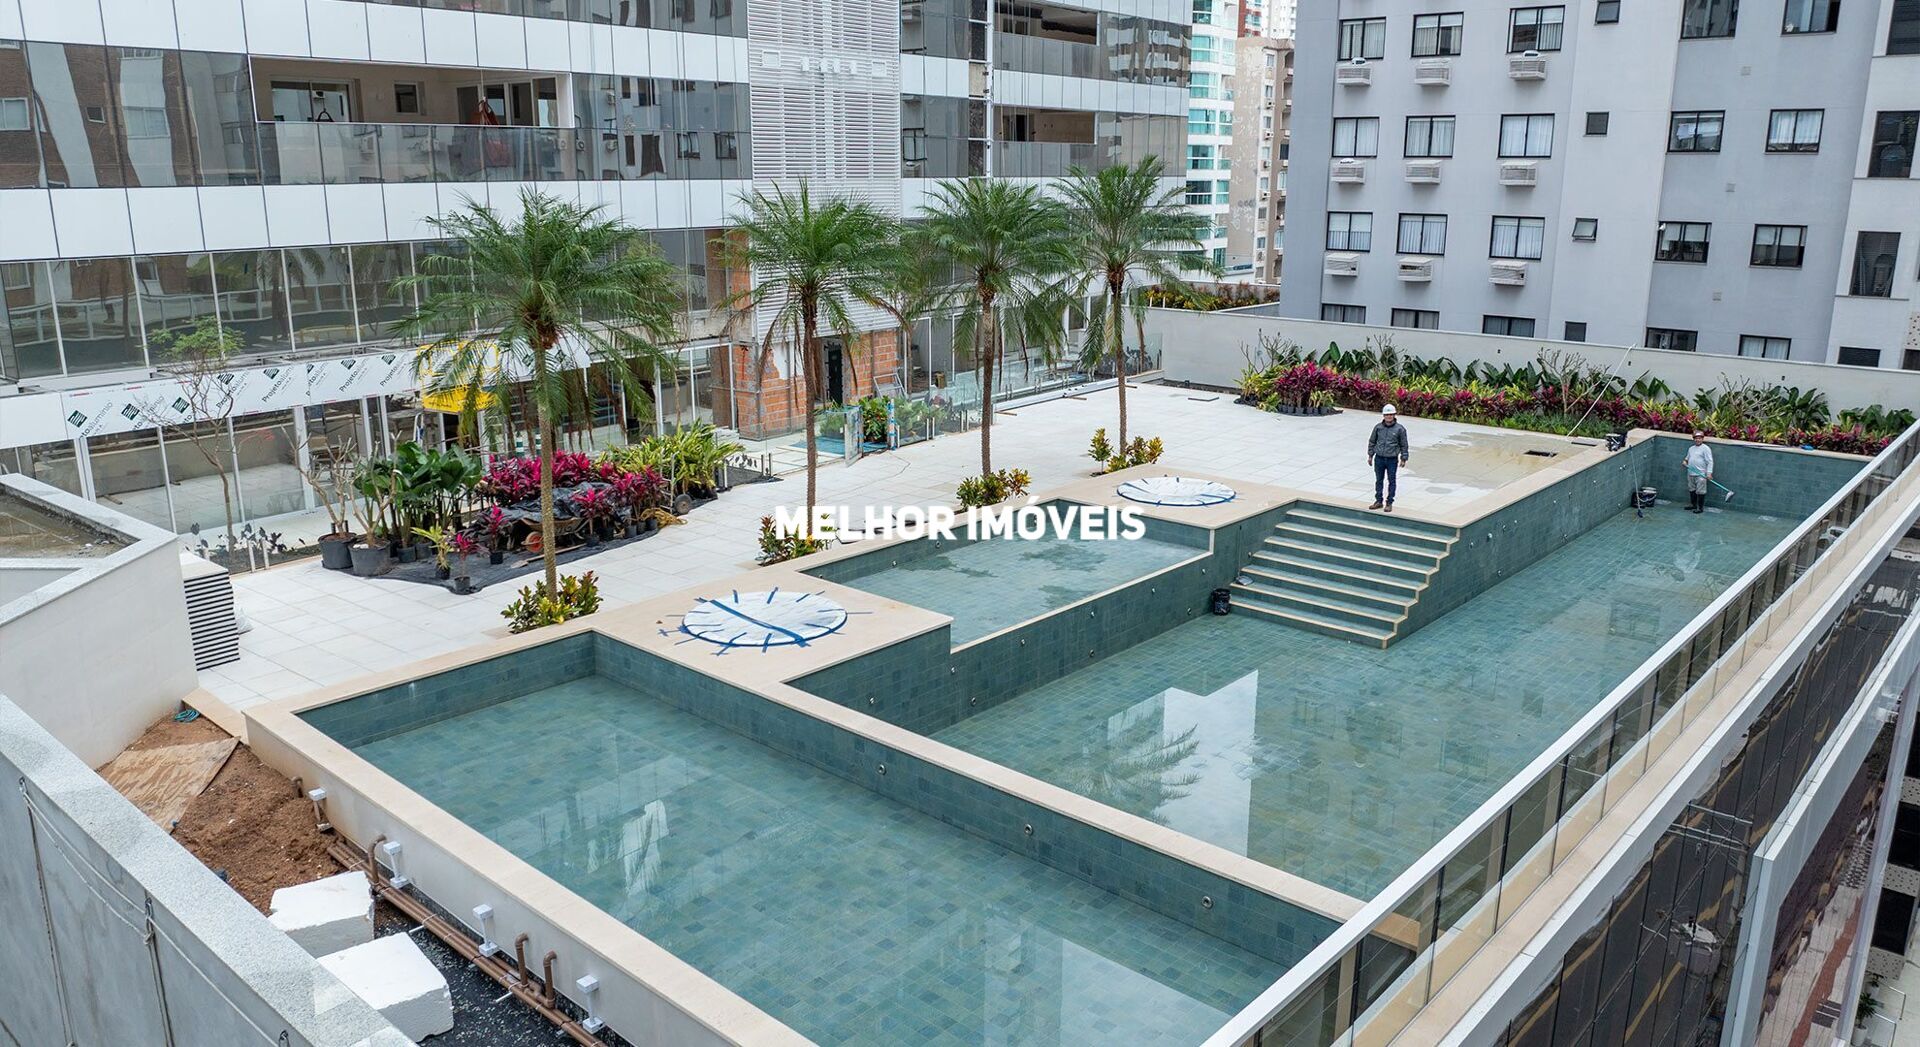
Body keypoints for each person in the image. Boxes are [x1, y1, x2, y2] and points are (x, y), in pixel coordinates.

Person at [1367, 404, 1410, 512]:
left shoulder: (1400, 429)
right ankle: (1378, 501)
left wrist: (1403, 458)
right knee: (1379, 480)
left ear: (1394, 415)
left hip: (1392, 459)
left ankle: (1389, 502)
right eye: (1387, 415)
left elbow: (1404, 445)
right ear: (1383, 416)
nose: (1389, 417)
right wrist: (1370, 455)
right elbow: (1372, 441)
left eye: (1391, 414)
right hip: (1379, 458)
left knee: (1391, 481)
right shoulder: (1378, 428)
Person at [1683, 431, 1715, 514]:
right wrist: (1685, 462)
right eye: (1696, 438)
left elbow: (1710, 461)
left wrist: (1709, 473)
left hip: (1701, 474)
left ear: (1702, 439)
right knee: (1692, 489)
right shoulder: (1691, 448)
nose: (1698, 440)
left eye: (1699, 438)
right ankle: (1693, 505)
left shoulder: (1706, 448)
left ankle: (1700, 508)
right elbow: (1687, 458)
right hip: (1690, 473)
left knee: (1701, 491)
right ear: (1694, 439)